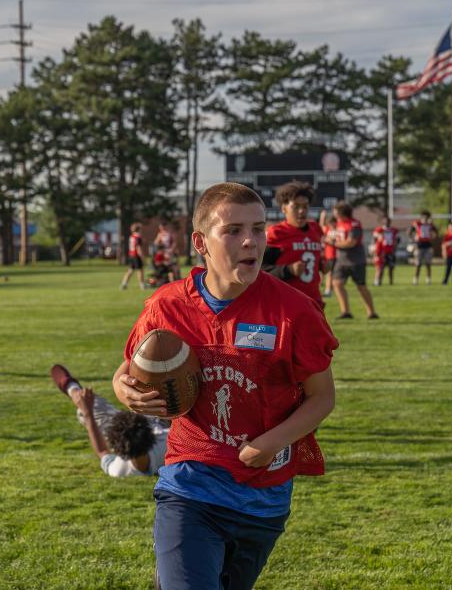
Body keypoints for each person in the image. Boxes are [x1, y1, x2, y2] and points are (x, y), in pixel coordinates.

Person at [113, 182, 338, 590]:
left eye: (257, 228)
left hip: (263, 496)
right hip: (190, 484)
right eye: (233, 230)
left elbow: (323, 397)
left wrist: (272, 441)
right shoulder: (168, 304)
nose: (250, 241)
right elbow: (130, 366)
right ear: (201, 242)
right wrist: (121, 387)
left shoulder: (294, 311)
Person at [51, 364, 168, 477]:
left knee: (87, 406)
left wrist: (88, 413)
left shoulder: (120, 469)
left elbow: (102, 451)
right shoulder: (167, 445)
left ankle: (72, 388)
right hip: (161, 419)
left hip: (139, 426)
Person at [263, 181, 326, 309]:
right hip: (286, 303)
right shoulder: (276, 233)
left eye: (305, 206)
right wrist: (288, 270)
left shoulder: (315, 229)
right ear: (284, 208)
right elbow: (259, 271)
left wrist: (322, 264)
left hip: (313, 301)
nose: (302, 211)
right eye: (296, 206)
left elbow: (309, 259)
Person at [328, 202, 377, 319]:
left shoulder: (354, 224)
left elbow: (351, 242)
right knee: (337, 283)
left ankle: (371, 312)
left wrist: (333, 243)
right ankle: (345, 311)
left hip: (356, 260)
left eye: (336, 212)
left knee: (361, 286)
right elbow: (331, 235)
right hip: (341, 260)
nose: (334, 214)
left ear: (342, 213)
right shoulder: (338, 224)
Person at [409, 211, 438, 285]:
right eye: (424, 216)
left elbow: (436, 232)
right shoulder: (417, 223)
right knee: (418, 264)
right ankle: (415, 279)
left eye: (427, 217)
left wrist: (433, 236)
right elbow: (409, 232)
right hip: (419, 246)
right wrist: (413, 239)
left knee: (428, 264)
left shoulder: (430, 224)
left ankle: (428, 279)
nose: (425, 218)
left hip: (428, 245)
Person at [371, 219, 399, 287]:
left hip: (390, 251)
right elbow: (374, 240)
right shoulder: (379, 230)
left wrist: (395, 247)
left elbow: (397, 239)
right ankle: (377, 281)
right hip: (381, 252)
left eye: (388, 221)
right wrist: (374, 250)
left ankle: (391, 282)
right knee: (380, 268)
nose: (387, 223)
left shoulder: (393, 230)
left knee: (391, 267)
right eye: (385, 221)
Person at [120, 222, 148, 290]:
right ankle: (142, 285)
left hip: (131, 255)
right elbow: (138, 248)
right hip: (136, 255)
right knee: (140, 270)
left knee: (131, 270)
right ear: (139, 229)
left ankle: (124, 283)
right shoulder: (138, 237)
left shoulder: (132, 236)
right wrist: (142, 256)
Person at [321, 214, 338, 297]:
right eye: (329, 223)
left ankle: (330, 290)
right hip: (328, 254)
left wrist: (330, 240)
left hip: (336, 255)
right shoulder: (327, 229)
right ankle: (328, 289)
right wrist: (322, 217)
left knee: (332, 274)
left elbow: (338, 241)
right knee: (328, 273)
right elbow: (322, 236)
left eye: (332, 223)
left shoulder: (338, 230)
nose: (330, 225)